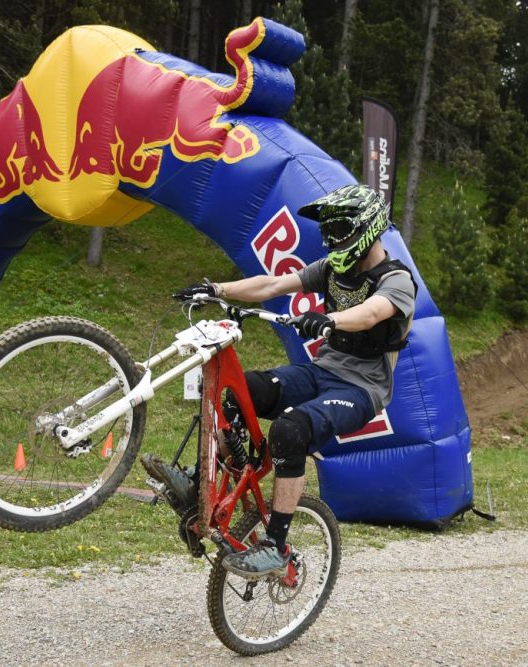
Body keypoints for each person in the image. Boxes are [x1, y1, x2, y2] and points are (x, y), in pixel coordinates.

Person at [141, 184, 416, 578]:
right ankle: (203, 484)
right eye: (330, 231)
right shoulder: (332, 270)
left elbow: (372, 313)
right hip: (321, 371)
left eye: (341, 230)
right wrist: (215, 289)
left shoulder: (396, 280)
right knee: (236, 393)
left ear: (367, 228)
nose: (333, 239)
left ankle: (276, 546)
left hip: (360, 389)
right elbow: (272, 284)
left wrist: (330, 319)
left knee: (290, 431)